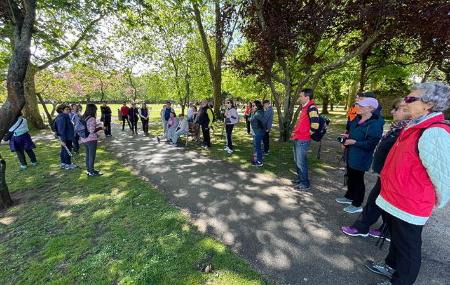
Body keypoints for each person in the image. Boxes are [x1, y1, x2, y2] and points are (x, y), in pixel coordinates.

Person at [366, 82, 450, 285]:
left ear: (427, 104)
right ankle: (390, 266)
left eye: (411, 99)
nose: (405, 101)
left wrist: (429, 202)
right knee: (396, 240)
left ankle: (401, 281)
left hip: (411, 203)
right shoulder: (415, 125)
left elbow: (443, 176)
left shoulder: (434, 132)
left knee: (408, 248)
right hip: (395, 198)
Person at [341, 99, 410, 238]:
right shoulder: (397, 127)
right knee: (380, 202)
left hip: (391, 174)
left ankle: (364, 227)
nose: (392, 112)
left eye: (396, 109)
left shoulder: (406, 130)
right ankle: (384, 230)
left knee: (376, 201)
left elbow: (374, 143)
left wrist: (355, 142)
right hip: (385, 171)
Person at [336, 96, 384, 213]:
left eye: (361, 105)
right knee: (351, 176)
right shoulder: (357, 119)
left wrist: (354, 142)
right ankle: (349, 196)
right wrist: (347, 137)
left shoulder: (375, 124)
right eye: (358, 105)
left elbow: (372, 143)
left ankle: (357, 204)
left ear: (370, 108)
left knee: (358, 179)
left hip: (361, 157)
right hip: (351, 154)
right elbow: (353, 132)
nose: (357, 107)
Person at [291, 88, 320, 190]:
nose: (299, 98)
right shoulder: (304, 107)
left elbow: (315, 124)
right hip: (297, 137)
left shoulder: (311, 107)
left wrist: (307, 134)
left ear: (307, 97)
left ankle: (304, 183)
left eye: (301, 96)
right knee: (297, 160)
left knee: (301, 162)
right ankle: (300, 178)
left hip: (303, 139)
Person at [80, 103, 103, 177]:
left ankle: (89, 170)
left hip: (84, 139)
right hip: (91, 140)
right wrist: (101, 128)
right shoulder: (92, 118)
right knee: (91, 156)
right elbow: (92, 130)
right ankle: (92, 171)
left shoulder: (83, 117)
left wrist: (96, 125)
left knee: (88, 155)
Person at [54, 104, 77, 170]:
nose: (68, 110)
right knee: (67, 150)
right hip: (66, 137)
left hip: (67, 136)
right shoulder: (62, 117)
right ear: (61, 110)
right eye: (66, 109)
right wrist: (63, 140)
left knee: (64, 150)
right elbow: (61, 130)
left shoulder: (65, 116)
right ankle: (68, 164)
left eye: (69, 109)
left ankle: (63, 163)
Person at [250, 100, 266, 167]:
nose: (252, 107)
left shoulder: (258, 113)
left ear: (257, 106)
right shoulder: (256, 112)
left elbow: (264, 121)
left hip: (258, 132)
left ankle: (259, 162)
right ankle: (257, 159)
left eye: (253, 106)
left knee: (258, 147)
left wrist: (262, 129)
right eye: (252, 106)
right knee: (257, 147)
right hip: (256, 132)